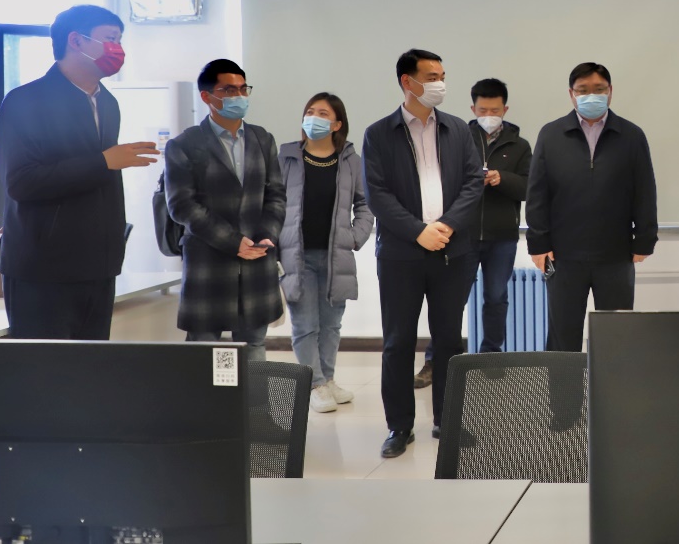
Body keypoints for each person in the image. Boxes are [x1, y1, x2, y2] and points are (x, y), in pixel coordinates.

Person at [0, 5, 158, 339]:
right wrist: (103, 161)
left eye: (119, 40)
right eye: (110, 38)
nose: (117, 48)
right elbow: (22, 183)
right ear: (76, 41)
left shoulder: (107, 102)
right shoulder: (26, 101)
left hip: (99, 265)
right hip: (43, 269)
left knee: (91, 367)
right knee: (46, 368)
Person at [363, 49, 483, 459]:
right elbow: (377, 194)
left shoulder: (458, 129)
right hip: (401, 255)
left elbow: (473, 182)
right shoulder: (379, 134)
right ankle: (399, 426)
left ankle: (447, 421)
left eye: (442, 75)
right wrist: (418, 232)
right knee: (398, 342)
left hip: (452, 251)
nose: (440, 84)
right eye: (431, 76)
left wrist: (446, 226)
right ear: (407, 81)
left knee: (448, 340)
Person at [527, 62, 658, 352]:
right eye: (583, 90)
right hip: (563, 255)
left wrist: (645, 238)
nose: (591, 96)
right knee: (563, 336)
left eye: (599, 89)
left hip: (616, 254)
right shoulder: (551, 134)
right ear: (571, 94)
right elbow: (537, 194)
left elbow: (645, 191)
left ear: (610, 91)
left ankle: (614, 384)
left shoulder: (631, 135)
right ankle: (564, 385)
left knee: (616, 335)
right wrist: (538, 243)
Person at [164, 59, 286, 361]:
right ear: (207, 96)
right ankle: (205, 397)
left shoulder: (262, 139)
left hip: (257, 260)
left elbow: (276, 195)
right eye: (229, 90)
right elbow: (182, 205)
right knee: (205, 350)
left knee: (254, 345)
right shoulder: (185, 144)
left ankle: (253, 396)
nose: (239, 96)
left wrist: (266, 236)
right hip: (209, 263)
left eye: (243, 89)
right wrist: (234, 242)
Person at [416, 78, 531, 386]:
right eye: (483, 110)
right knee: (450, 300)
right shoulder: (457, 138)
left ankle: (490, 358)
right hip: (461, 235)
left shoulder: (519, 145)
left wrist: (501, 178)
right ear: (473, 108)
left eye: (495, 110)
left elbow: (528, 187)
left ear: (505, 109)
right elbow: (438, 182)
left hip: (502, 237)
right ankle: (436, 360)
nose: (488, 115)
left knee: (496, 298)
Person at [278, 93, 374, 413]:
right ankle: (314, 383)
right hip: (297, 255)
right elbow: (273, 202)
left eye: (322, 113)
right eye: (310, 111)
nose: (313, 117)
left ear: (336, 124)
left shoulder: (350, 161)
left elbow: (365, 204)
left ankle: (328, 378)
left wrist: (355, 237)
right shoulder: (287, 158)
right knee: (306, 324)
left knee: (332, 324)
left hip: (336, 257)